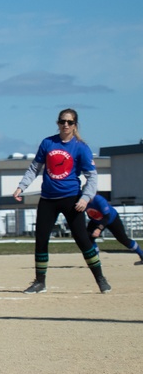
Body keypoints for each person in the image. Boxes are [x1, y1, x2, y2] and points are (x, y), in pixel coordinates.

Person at [13, 108, 110, 294]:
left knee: (82, 239)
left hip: (71, 199)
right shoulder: (48, 143)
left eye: (70, 122)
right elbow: (35, 168)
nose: (66, 125)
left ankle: (100, 278)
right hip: (48, 199)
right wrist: (21, 187)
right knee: (41, 239)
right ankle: (40, 282)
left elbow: (92, 176)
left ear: (75, 125)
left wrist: (85, 198)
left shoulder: (81, 147)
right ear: (58, 123)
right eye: (62, 121)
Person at [86, 194, 143, 265]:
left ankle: (142, 255)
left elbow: (107, 216)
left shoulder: (99, 200)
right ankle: (95, 261)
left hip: (111, 219)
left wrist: (98, 229)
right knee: (88, 238)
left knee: (123, 239)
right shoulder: (82, 201)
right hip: (96, 220)